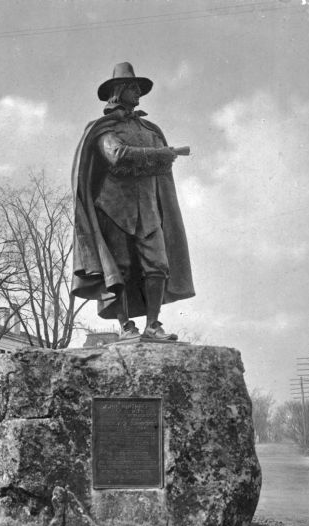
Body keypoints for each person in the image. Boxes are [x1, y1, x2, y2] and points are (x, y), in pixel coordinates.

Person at [71, 62, 195, 341]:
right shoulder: (104, 128)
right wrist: (160, 154)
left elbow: (162, 167)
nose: (138, 92)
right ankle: (126, 326)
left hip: (148, 208)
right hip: (115, 209)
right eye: (132, 87)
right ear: (119, 91)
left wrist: (161, 156)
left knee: (159, 265)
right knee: (121, 269)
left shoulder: (150, 130)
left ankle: (153, 324)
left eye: (139, 88)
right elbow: (116, 155)